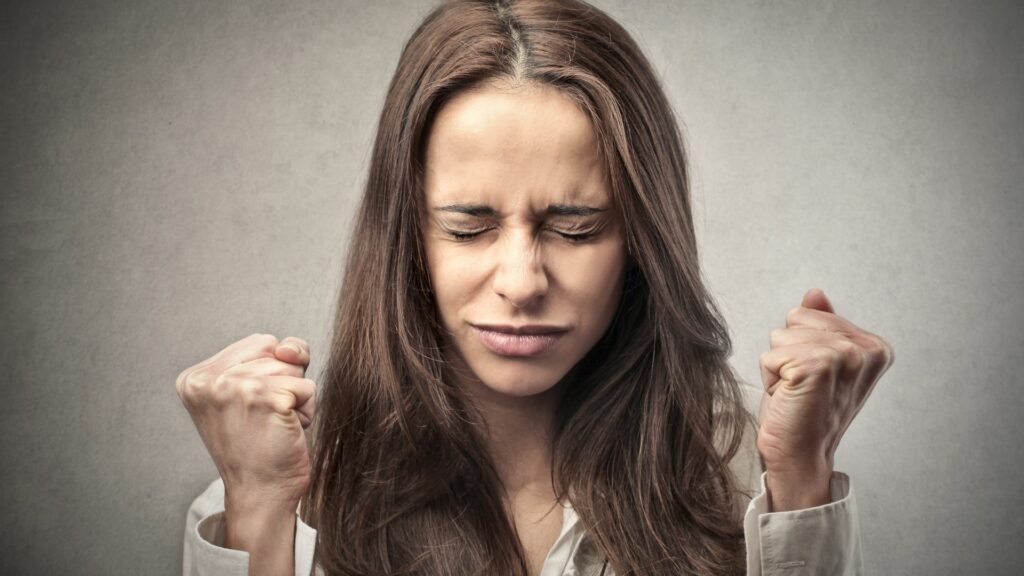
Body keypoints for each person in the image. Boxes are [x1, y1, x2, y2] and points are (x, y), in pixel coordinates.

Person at [176, 0, 895, 574]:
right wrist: (262, 511)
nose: (521, 282)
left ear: (644, 242)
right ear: (406, 241)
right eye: (467, 228)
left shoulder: (744, 478)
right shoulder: (281, 489)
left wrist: (800, 482)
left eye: (576, 229)